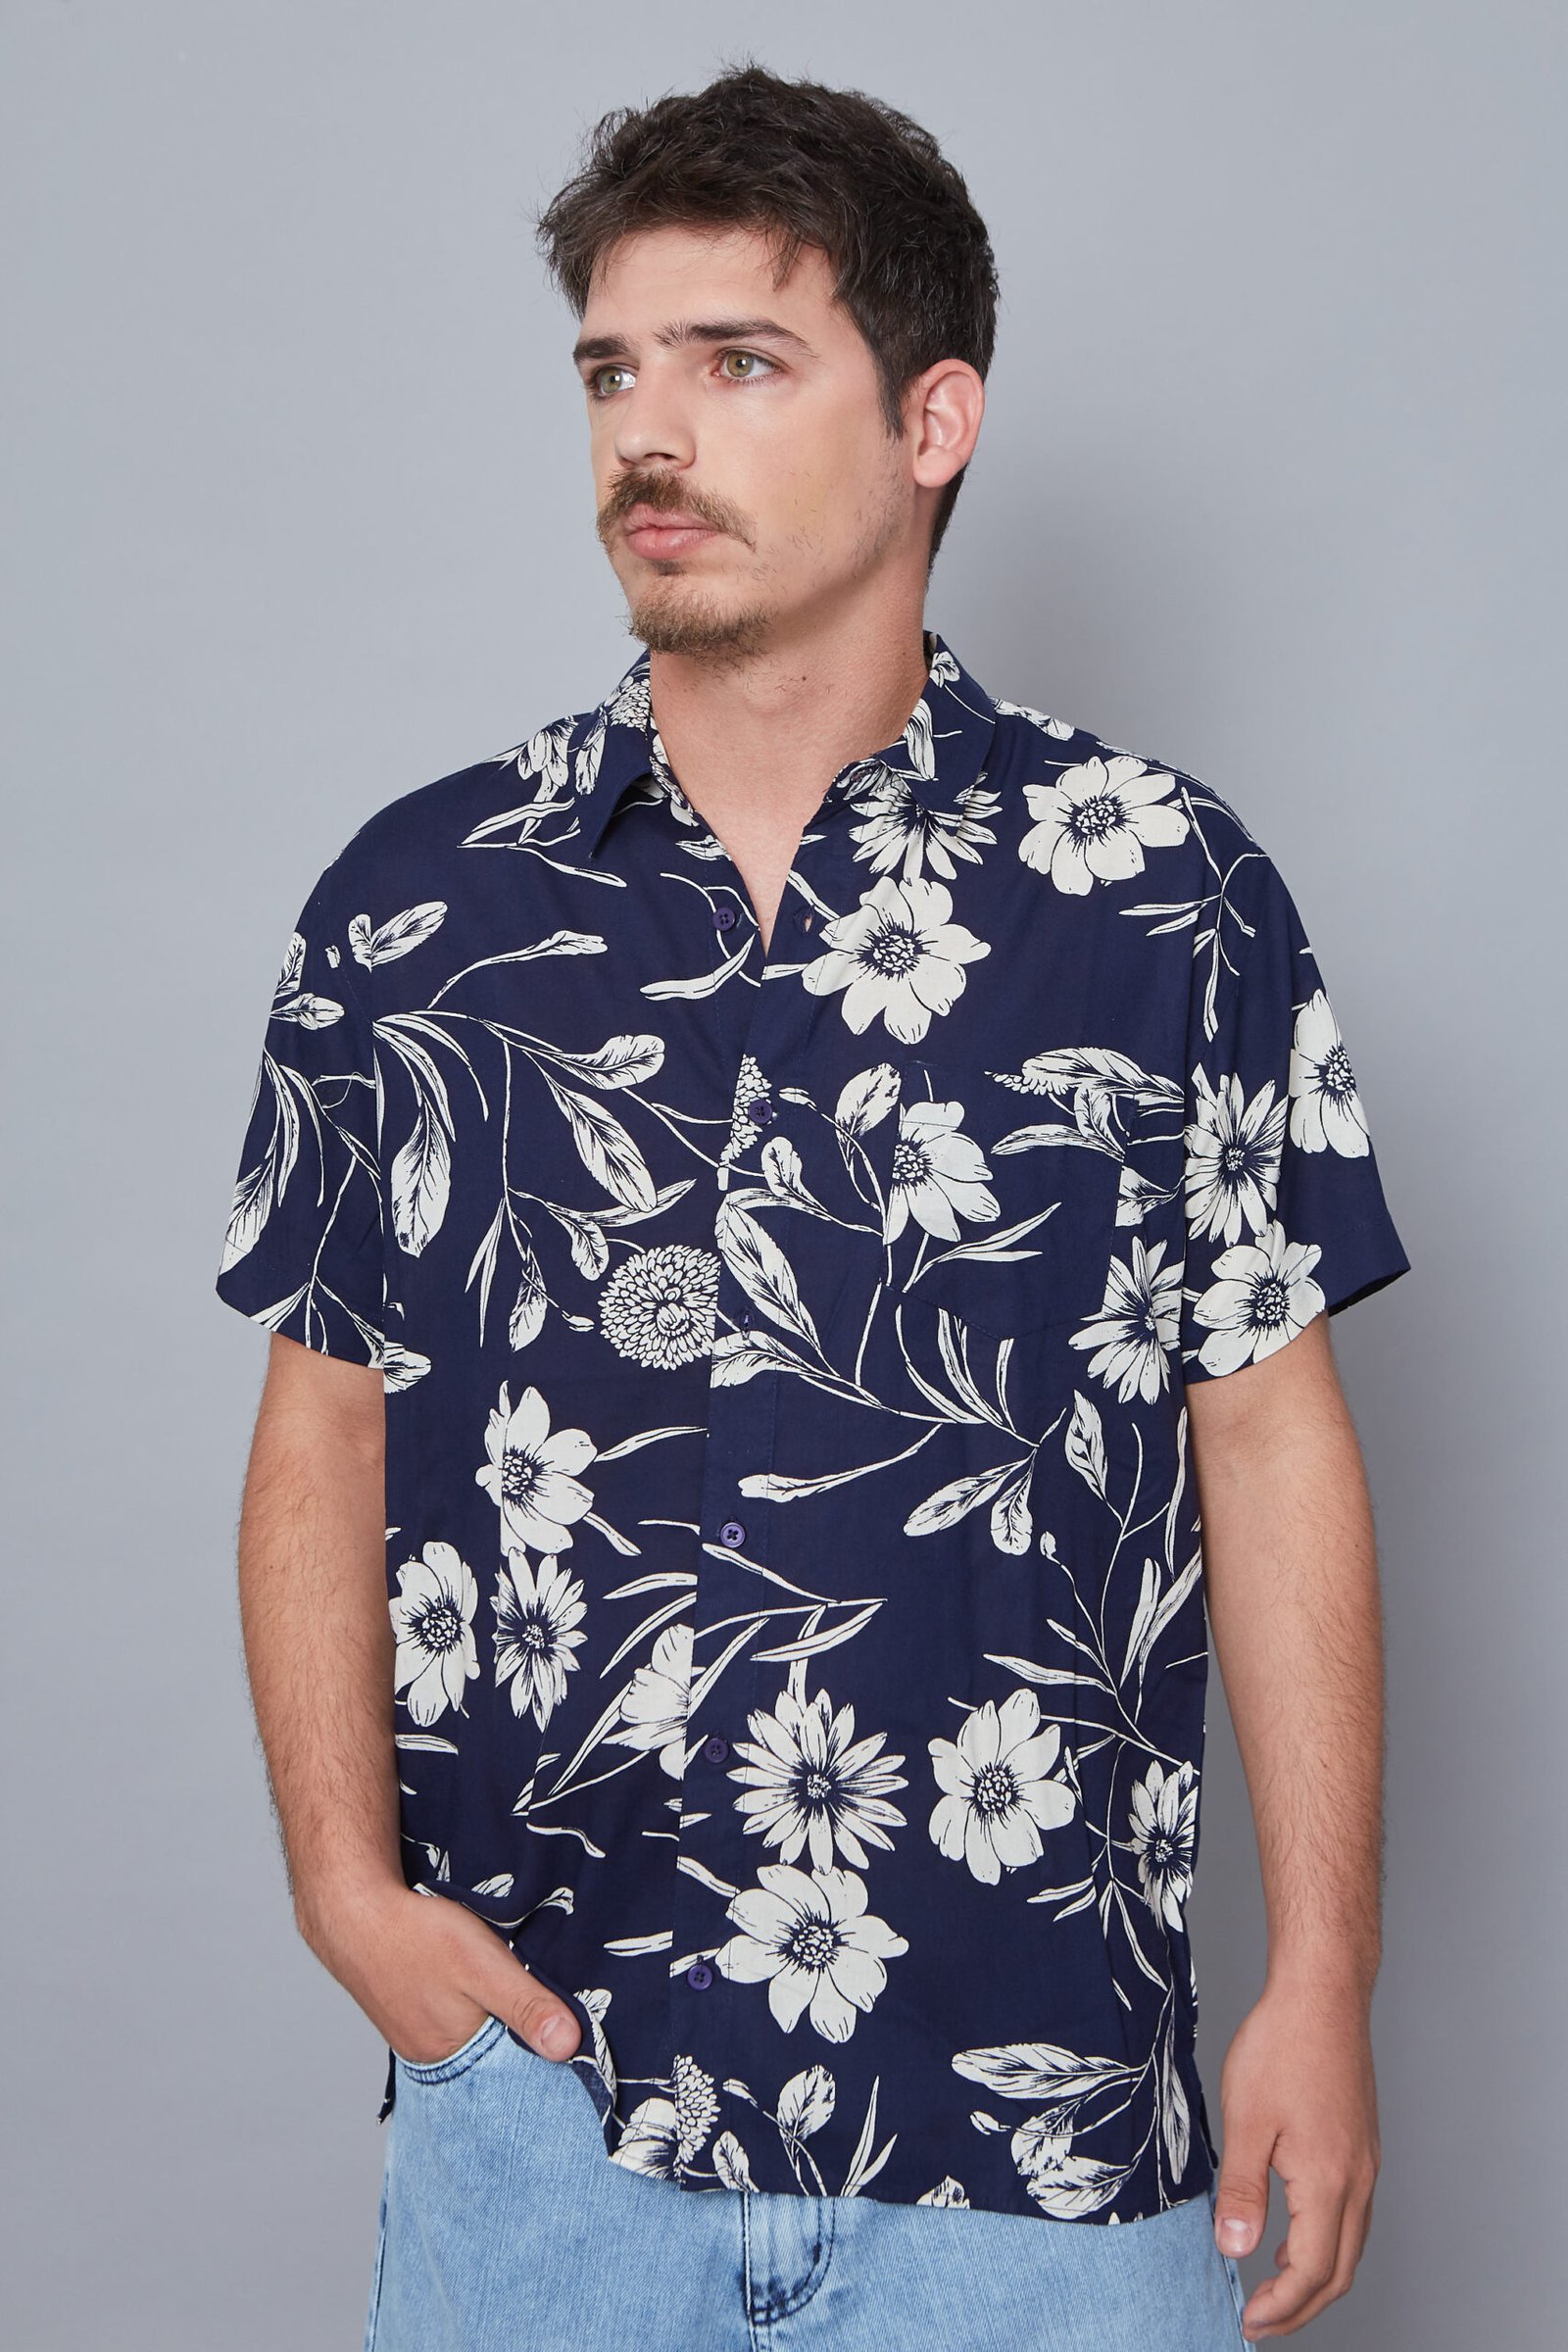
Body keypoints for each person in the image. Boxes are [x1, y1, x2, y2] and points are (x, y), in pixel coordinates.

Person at [213, 60, 1409, 2352]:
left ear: (931, 420)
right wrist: (341, 1896)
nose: (646, 435)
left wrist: (1324, 1980)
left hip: (1040, 2152)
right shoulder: (415, 909)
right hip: (547, 2129)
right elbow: (321, 1427)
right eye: (611, 373)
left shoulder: (1164, 899)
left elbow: (1266, 1439)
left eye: (737, 363)